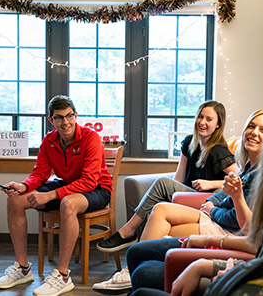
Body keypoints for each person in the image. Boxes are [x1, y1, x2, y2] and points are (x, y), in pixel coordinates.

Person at [133, 90, 263, 296]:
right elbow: (261, 248)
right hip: (224, 237)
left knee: (144, 270)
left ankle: (126, 238)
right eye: (251, 126)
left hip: (224, 233)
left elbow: (254, 243)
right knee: (144, 244)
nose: (254, 133)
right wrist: (215, 204)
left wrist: (212, 245)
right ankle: (127, 244)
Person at [93, 100, 238, 291]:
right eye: (200, 117)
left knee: (162, 184)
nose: (202, 122)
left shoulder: (219, 151)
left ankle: (128, 233)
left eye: (209, 119)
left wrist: (211, 183)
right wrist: (170, 194)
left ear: (218, 124)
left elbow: (239, 179)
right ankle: (133, 260)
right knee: (160, 197)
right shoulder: (190, 142)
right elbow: (179, 176)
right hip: (187, 196)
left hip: (207, 200)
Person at [123, 109, 263, 292]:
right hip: (218, 219)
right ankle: (134, 261)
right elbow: (225, 191)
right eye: (251, 126)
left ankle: (133, 259)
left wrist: (213, 210)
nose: (254, 132)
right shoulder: (247, 165)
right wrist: (211, 201)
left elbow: (238, 218)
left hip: (227, 228)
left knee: (162, 221)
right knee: (161, 209)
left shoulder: (249, 167)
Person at [0, 95, 113, 296]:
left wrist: (49, 196)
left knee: (68, 203)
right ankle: (22, 269)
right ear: (51, 120)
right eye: (59, 117)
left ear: (76, 115)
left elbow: (89, 181)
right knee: (15, 199)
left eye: (69, 116)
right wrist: (23, 186)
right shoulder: (49, 140)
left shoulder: (91, 137)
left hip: (97, 189)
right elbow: (40, 174)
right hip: (66, 185)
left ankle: (63, 276)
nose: (65, 122)